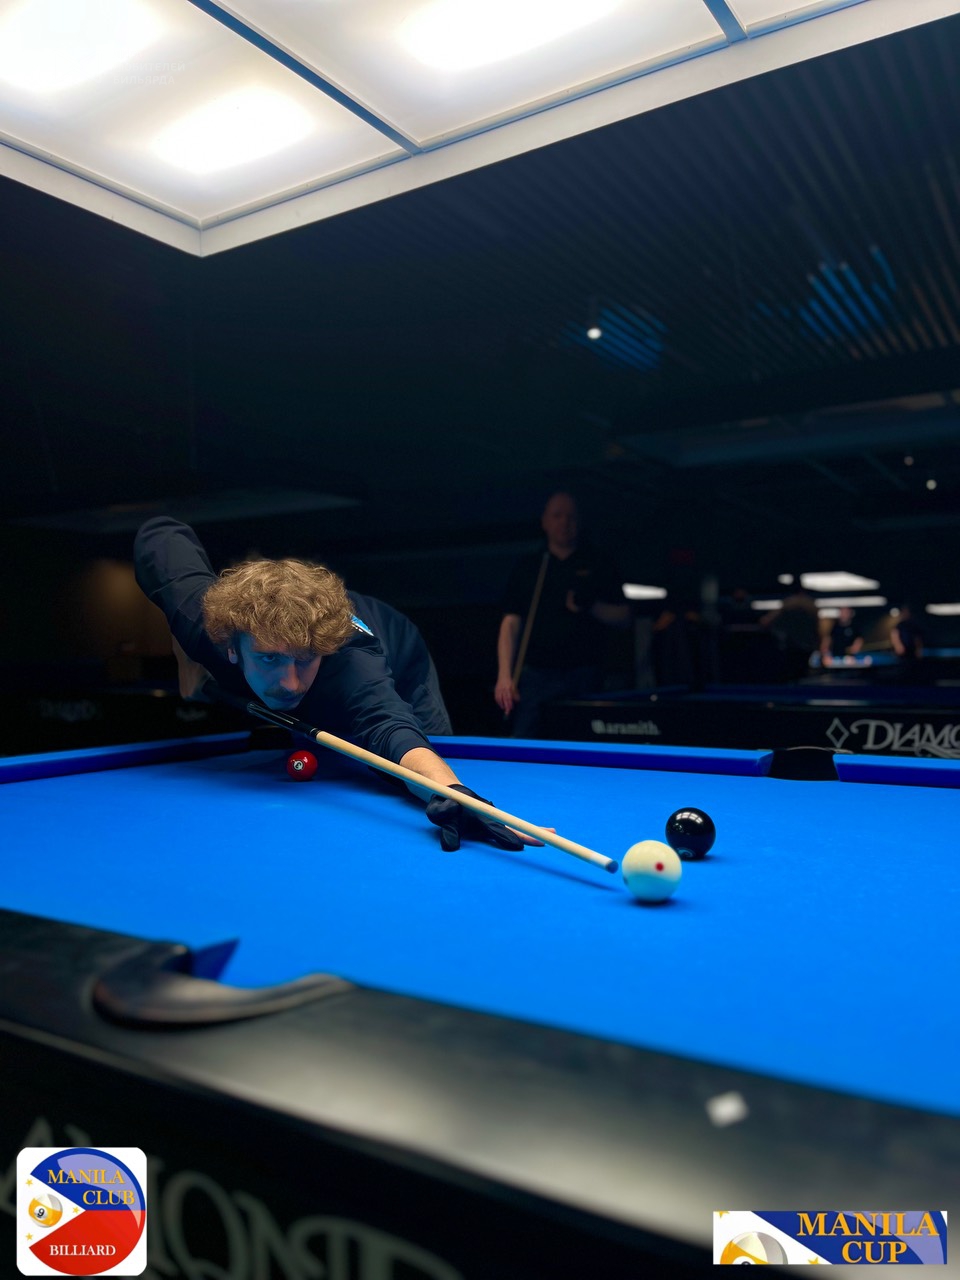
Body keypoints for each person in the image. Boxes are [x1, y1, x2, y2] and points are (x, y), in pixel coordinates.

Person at [134, 517, 534, 853]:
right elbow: (160, 531)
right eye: (270, 658)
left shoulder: (350, 662)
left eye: (304, 659)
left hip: (402, 656)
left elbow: (389, 726)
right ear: (230, 647)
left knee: (426, 749)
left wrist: (451, 792)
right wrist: (184, 652)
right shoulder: (203, 624)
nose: (290, 683)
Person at [494, 492, 630, 737]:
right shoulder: (530, 565)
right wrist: (504, 676)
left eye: (571, 517)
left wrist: (592, 606)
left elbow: (624, 617)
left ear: (580, 522)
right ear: (545, 521)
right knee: (526, 740)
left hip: (586, 674)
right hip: (537, 676)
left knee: (587, 742)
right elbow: (510, 623)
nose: (564, 522)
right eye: (557, 516)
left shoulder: (598, 562)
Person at [761, 583, 820, 682]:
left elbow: (765, 622)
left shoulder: (788, 604)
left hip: (793, 648)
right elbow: (818, 630)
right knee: (800, 676)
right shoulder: (811, 606)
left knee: (791, 676)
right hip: (802, 648)